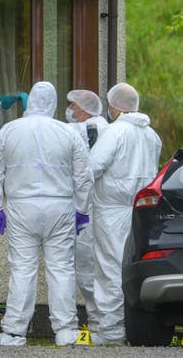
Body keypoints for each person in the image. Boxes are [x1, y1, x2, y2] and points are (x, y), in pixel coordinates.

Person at [0, 81, 94, 347]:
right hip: (60, 207)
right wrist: (82, 209)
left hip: (22, 207)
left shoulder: (9, 131)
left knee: (22, 269)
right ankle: (66, 330)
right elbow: (84, 176)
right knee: (62, 269)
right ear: (53, 103)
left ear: (30, 100)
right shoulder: (68, 133)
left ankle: (14, 332)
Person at [88, 82, 161, 345]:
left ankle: (111, 333)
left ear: (114, 107)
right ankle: (132, 328)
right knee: (131, 268)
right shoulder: (151, 135)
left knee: (109, 268)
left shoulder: (115, 132)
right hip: (139, 210)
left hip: (110, 210)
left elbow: (93, 167)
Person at [65, 89, 109, 334]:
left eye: (72, 105)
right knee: (101, 268)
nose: (69, 110)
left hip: (87, 208)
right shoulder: (109, 130)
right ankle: (102, 324)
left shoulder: (83, 130)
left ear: (82, 110)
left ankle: (98, 324)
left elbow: (86, 171)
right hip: (103, 209)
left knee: (86, 268)